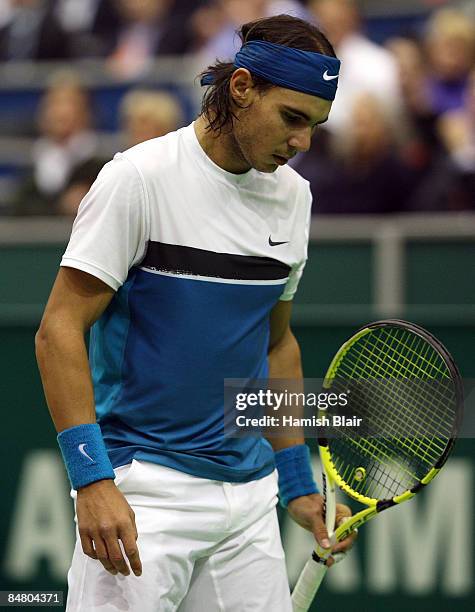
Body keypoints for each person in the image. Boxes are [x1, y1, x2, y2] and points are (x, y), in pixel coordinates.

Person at [35, 14, 356, 612]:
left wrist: (294, 483)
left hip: (250, 501)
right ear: (241, 88)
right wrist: (91, 479)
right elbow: (59, 330)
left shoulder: (294, 198)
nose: (302, 143)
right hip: (143, 494)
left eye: (315, 126)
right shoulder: (137, 179)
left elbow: (275, 344)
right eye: (292, 118)